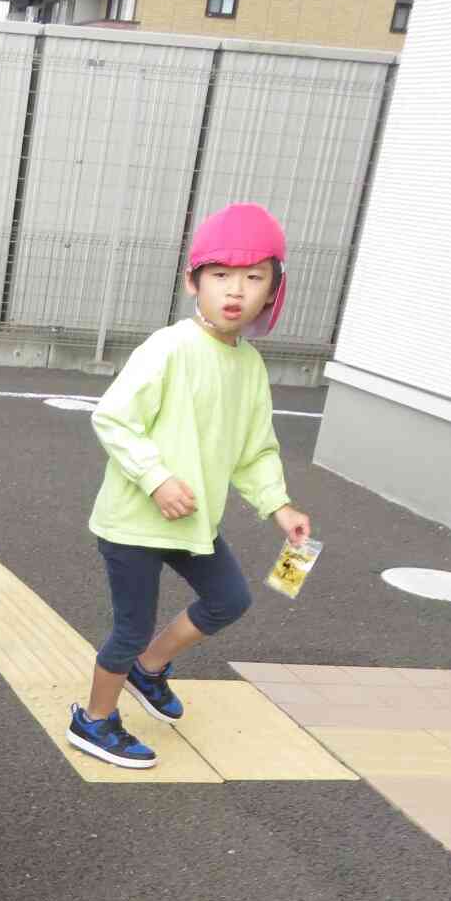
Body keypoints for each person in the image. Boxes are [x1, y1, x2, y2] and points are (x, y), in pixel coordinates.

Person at [67, 201, 314, 770]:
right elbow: (113, 416)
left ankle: (148, 670)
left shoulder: (248, 365)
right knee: (129, 627)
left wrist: (278, 505)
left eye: (254, 278)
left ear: (273, 290)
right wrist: (156, 480)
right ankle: (95, 719)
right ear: (192, 282)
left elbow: (255, 448)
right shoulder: (170, 347)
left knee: (230, 598)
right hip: (134, 522)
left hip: (193, 523)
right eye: (221, 275)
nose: (236, 291)